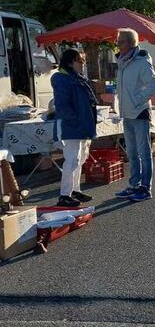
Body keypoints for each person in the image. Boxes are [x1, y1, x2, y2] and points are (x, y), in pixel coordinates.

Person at [115, 28, 155, 201]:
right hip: (127, 113)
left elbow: (154, 86)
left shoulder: (141, 62)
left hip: (139, 112)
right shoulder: (122, 62)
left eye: (121, 41)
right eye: (117, 41)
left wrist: (136, 100)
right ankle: (133, 185)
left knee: (144, 152)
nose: (117, 45)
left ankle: (145, 188)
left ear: (130, 43)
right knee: (132, 152)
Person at [51, 48, 97, 208]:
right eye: (80, 61)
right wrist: (77, 119)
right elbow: (62, 105)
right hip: (72, 126)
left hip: (80, 125)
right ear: (71, 62)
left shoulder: (77, 78)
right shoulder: (62, 79)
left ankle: (74, 190)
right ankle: (64, 195)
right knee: (71, 160)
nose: (82, 64)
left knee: (80, 158)